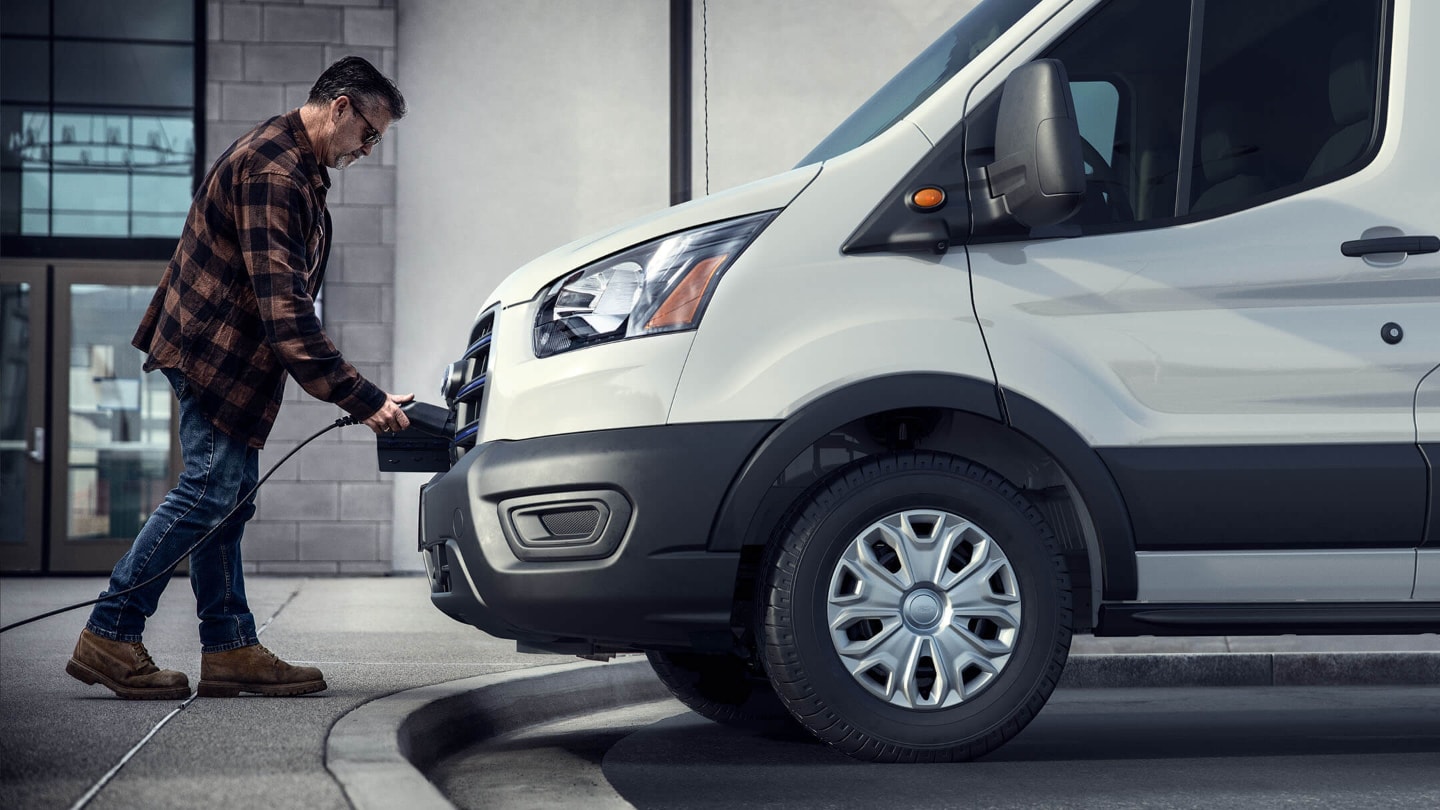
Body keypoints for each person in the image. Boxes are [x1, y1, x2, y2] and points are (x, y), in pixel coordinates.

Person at [65, 57, 412, 700]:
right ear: (339, 107)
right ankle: (111, 631)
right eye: (369, 132)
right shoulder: (276, 171)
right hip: (211, 355)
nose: (368, 148)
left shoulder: (296, 165)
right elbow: (286, 310)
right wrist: (363, 398)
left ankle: (228, 649)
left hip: (226, 357)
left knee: (226, 498)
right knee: (209, 490)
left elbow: (279, 306)